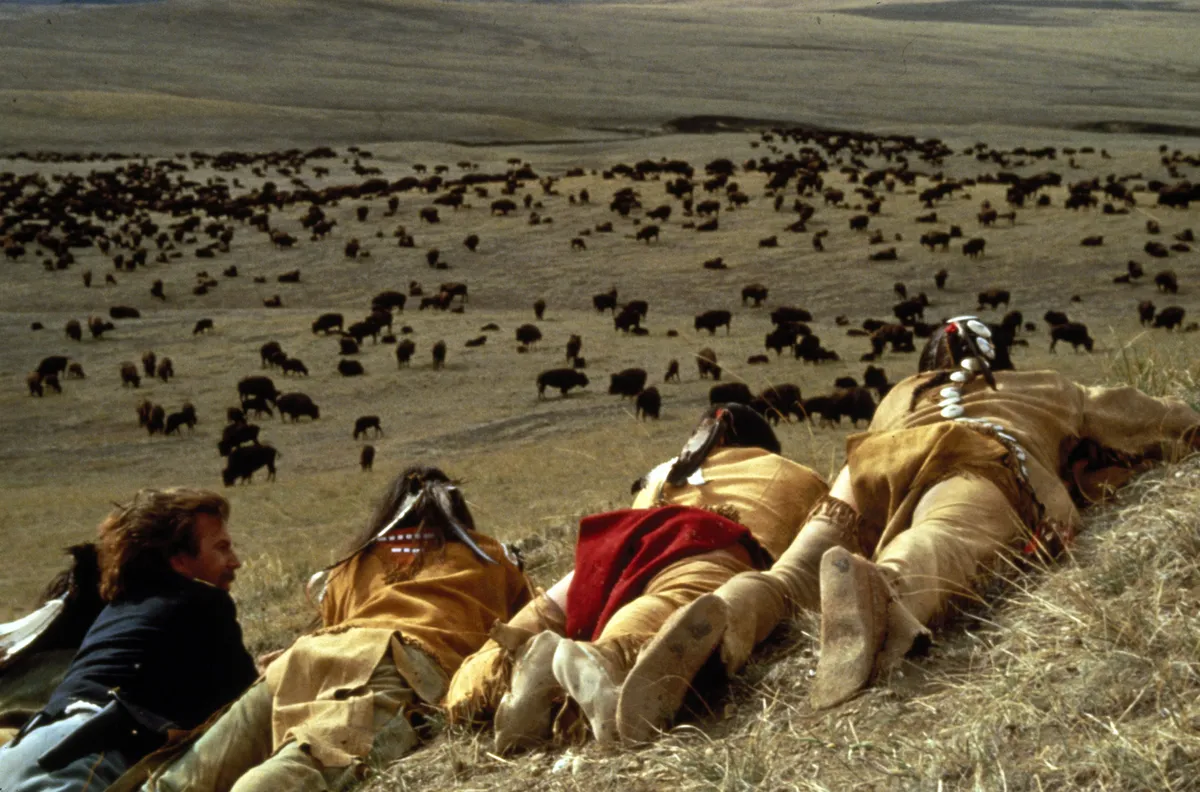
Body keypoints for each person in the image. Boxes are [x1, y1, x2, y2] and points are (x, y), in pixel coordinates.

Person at [652, 315, 1200, 715]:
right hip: (976, 455)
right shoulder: (1048, 386)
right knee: (942, 536)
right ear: (1001, 363)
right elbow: (1162, 420)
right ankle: (881, 587)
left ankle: (723, 613)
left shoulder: (899, 393)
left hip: (868, 470)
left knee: (789, 577)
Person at [444, 403, 829, 749]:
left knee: (493, 653)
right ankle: (595, 660)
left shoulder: (663, 475)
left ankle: (512, 666)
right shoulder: (793, 474)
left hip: (601, 565)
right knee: (646, 627)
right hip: (705, 548)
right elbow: (819, 552)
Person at [140, 465, 532, 792]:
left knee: (186, 778)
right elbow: (523, 634)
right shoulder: (490, 556)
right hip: (397, 662)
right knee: (293, 775)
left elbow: (338, 628)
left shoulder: (355, 562)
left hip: (307, 658)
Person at [0, 488, 256, 792]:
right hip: (88, 751)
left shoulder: (119, 609)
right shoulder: (204, 601)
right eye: (222, 548)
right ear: (179, 560)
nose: (235, 561)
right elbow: (248, 705)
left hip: (26, 748)